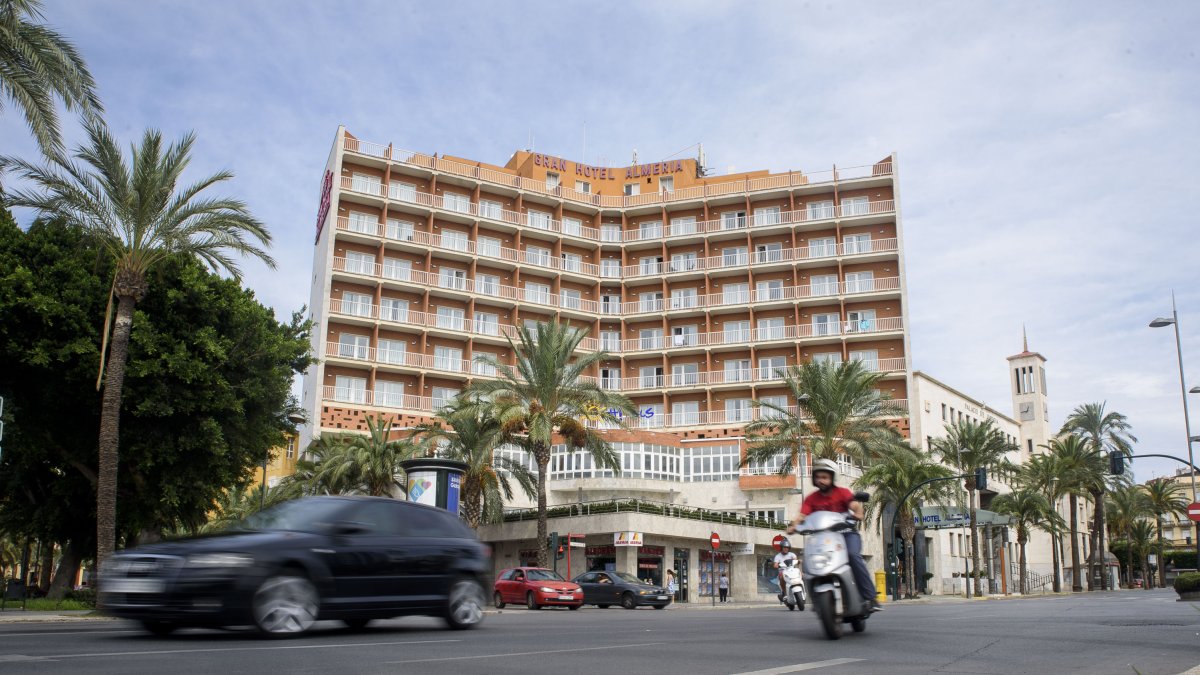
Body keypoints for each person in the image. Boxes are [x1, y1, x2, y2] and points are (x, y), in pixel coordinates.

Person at [788, 458, 884, 612]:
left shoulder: (842, 493)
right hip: (822, 538)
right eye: (818, 477)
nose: (821, 480)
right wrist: (793, 526)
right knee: (808, 560)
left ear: (833, 477)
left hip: (846, 534)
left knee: (852, 555)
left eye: (824, 477)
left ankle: (870, 597)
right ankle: (817, 600)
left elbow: (854, 505)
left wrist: (858, 513)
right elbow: (802, 515)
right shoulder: (811, 498)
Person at [772, 537, 798, 602]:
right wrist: (776, 565)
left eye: (787, 547)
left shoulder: (792, 554)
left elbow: (796, 560)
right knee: (781, 577)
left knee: (800, 573)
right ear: (781, 548)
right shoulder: (778, 556)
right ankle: (784, 593)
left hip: (791, 570)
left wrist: (798, 561)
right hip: (783, 571)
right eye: (784, 547)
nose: (786, 549)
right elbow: (775, 564)